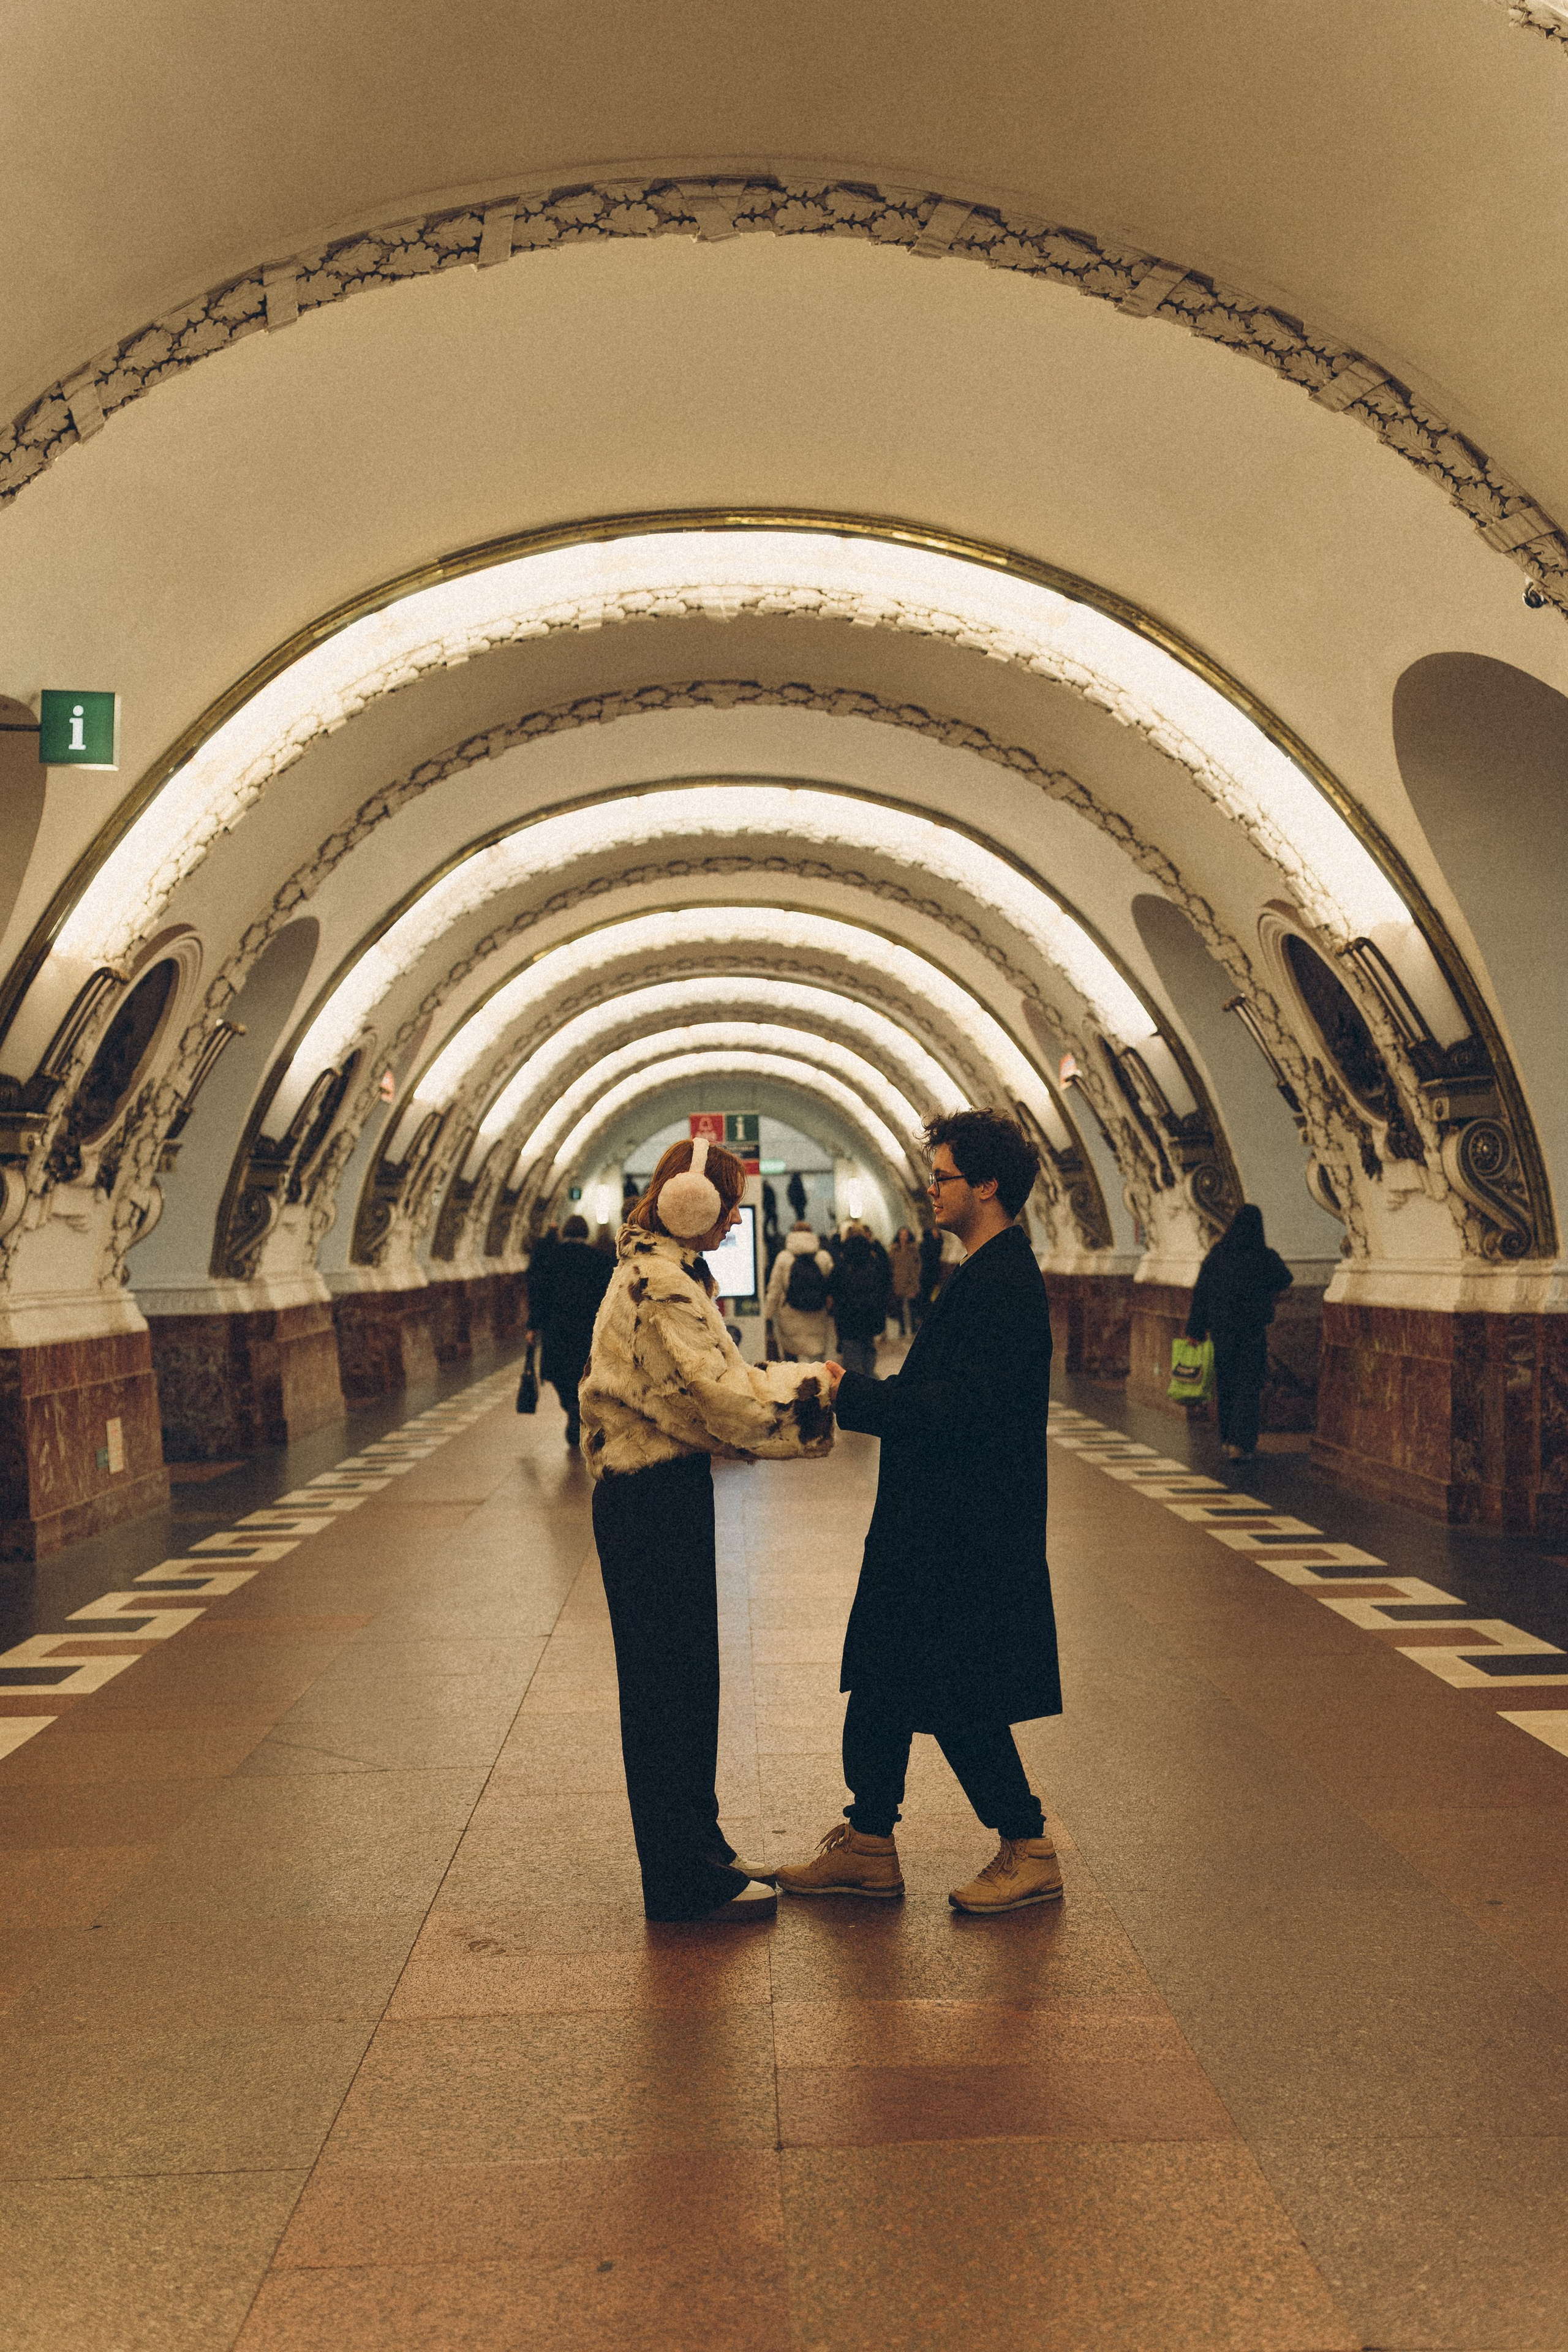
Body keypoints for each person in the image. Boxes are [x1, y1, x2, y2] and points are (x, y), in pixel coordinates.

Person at [772, 1109, 1062, 1917]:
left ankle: (1028, 1845)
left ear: (989, 1185)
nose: (932, 1190)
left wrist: (848, 1391)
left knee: (957, 1693)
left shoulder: (1005, 1280)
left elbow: (955, 1408)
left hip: (964, 1527)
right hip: (934, 1518)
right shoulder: (983, 1268)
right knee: (884, 1677)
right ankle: (868, 1842)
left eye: (943, 1177)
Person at [578, 1137, 835, 1924]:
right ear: (689, 1202)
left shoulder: (669, 1272)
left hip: (661, 1490)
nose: (729, 1221)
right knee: (666, 1690)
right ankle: (682, 1878)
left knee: (686, 1683)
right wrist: (818, 1398)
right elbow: (712, 1395)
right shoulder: (659, 1284)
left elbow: (712, 1388)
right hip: (648, 1497)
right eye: (724, 1204)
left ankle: (698, 1848)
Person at [1185, 1203, 1293, 1461]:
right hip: (1252, 1331)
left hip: (1222, 1332)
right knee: (1249, 1385)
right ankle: (1242, 1443)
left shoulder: (1218, 1255)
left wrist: (1195, 1330)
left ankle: (1226, 1438)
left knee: (1227, 1384)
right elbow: (1285, 1278)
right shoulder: (1263, 1256)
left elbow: (1202, 1293)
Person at [529, 1213, 612, 1447]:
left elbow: (539, 1296)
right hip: (586, 1329)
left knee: (560, 1374)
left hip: (557, 1329)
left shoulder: (551, 1259)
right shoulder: (599, 1259)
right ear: (585, 1233)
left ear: (564, 1231)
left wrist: (533, 1326)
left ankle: (570, 1406)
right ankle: (580, 1406)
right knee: (583, 1372)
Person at [764, 1219, 837, 1360]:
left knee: (791, 1362)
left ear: (792, 1234)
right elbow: (833, 1286)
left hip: (790, 1315)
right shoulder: (823, 1257)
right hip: (817, 1314)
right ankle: (818, 1381)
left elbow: (775, 1290)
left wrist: (768, 1315)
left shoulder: (784, 1258)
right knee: (817, 1361)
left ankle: (794, 1382)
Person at [832, 1226, 891, 1379]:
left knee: (852, 1365)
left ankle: (857, 1395)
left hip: (849, 1321)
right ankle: (871, 1390)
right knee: (869, 1356)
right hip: (870, 1319)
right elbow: (886, 1279)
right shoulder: (873, 1260)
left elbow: (833, 1288)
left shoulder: (843, 1263)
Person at [888, 1225, 921, 1335]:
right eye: (902, 1234)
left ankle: (913, 1327)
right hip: (898, 1281)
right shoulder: (894, 1250)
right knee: (900, 1307)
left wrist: (915, 1275)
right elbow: (890, 1264)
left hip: (911, 1280)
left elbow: (918, 1263)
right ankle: (902, 1328)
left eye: (906, 1235)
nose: (904, 1237)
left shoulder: (913, 1249)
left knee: (912, 1306)